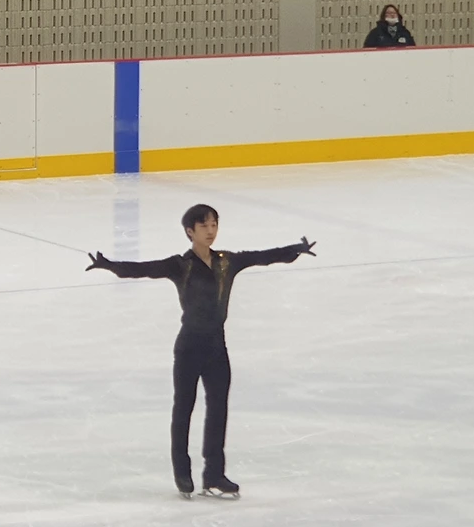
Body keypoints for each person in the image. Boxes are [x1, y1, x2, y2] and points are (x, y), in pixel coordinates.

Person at [85, 205, 316, 498]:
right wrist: (110, 265)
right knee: (184, 408)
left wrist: (295, 249)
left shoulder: (227, 261)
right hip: (189, 348)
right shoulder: (180, 265)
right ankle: (182, 472)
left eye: (214, 225)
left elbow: (262, 257)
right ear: (190, 231)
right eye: (204, 226)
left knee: (218, 410)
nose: (210, 231)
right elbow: (143, 269)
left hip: (217, 347)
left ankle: (214, 475)